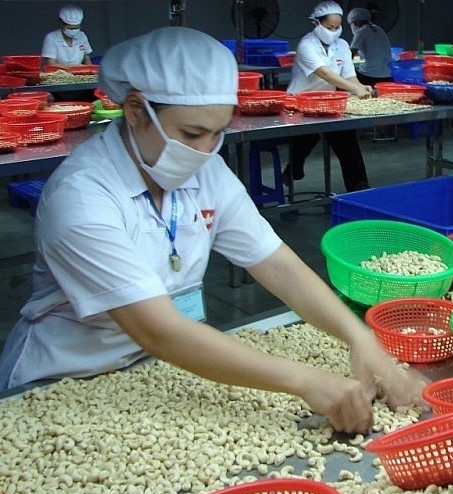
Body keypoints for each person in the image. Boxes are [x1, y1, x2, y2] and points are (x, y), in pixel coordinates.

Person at [0, 27, 425, 435]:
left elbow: (277, 265)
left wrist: (359, 338)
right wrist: (307, 380)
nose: (204, 150)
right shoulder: (82, 195)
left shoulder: (207, 171)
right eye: (191, 133)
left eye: (217, 133)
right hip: (67, 378)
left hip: (162, 368)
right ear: (135, 111)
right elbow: (159, 329)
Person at [283, 1, 372, 193]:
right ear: (317, 23)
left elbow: (349, 75)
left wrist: (360, 87)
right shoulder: (307, 45)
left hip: (328, 102)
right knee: (307, 138)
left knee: (346, 138)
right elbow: (324, 73)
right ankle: (292, 170)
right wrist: (354, 89)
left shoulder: (342, 45)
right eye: (329, 27)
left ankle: (359, 189)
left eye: (337, 27)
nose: (333, 31)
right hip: (300, 102)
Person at [348, 7, 393, 86]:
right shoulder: (378, 29)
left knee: (347, 75)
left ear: (355, 23)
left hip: (370, 76)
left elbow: (350, 54)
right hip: (388, 75)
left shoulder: (361, 32)